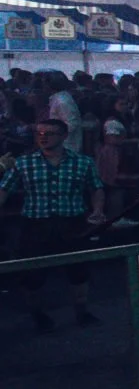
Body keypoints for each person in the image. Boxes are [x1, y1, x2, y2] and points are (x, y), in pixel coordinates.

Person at [3, 119, 107, 330]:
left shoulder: (83, 162)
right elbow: (4, 189)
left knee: (78, 271)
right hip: (35, 224)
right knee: (33, 275)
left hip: (72, 223)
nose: (43, 136)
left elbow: (96, 188)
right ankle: (38, 315)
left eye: (49, 133)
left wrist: (97, 210)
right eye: (40, 133)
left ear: (63, 136)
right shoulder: (24, 163)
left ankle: (82, 312)